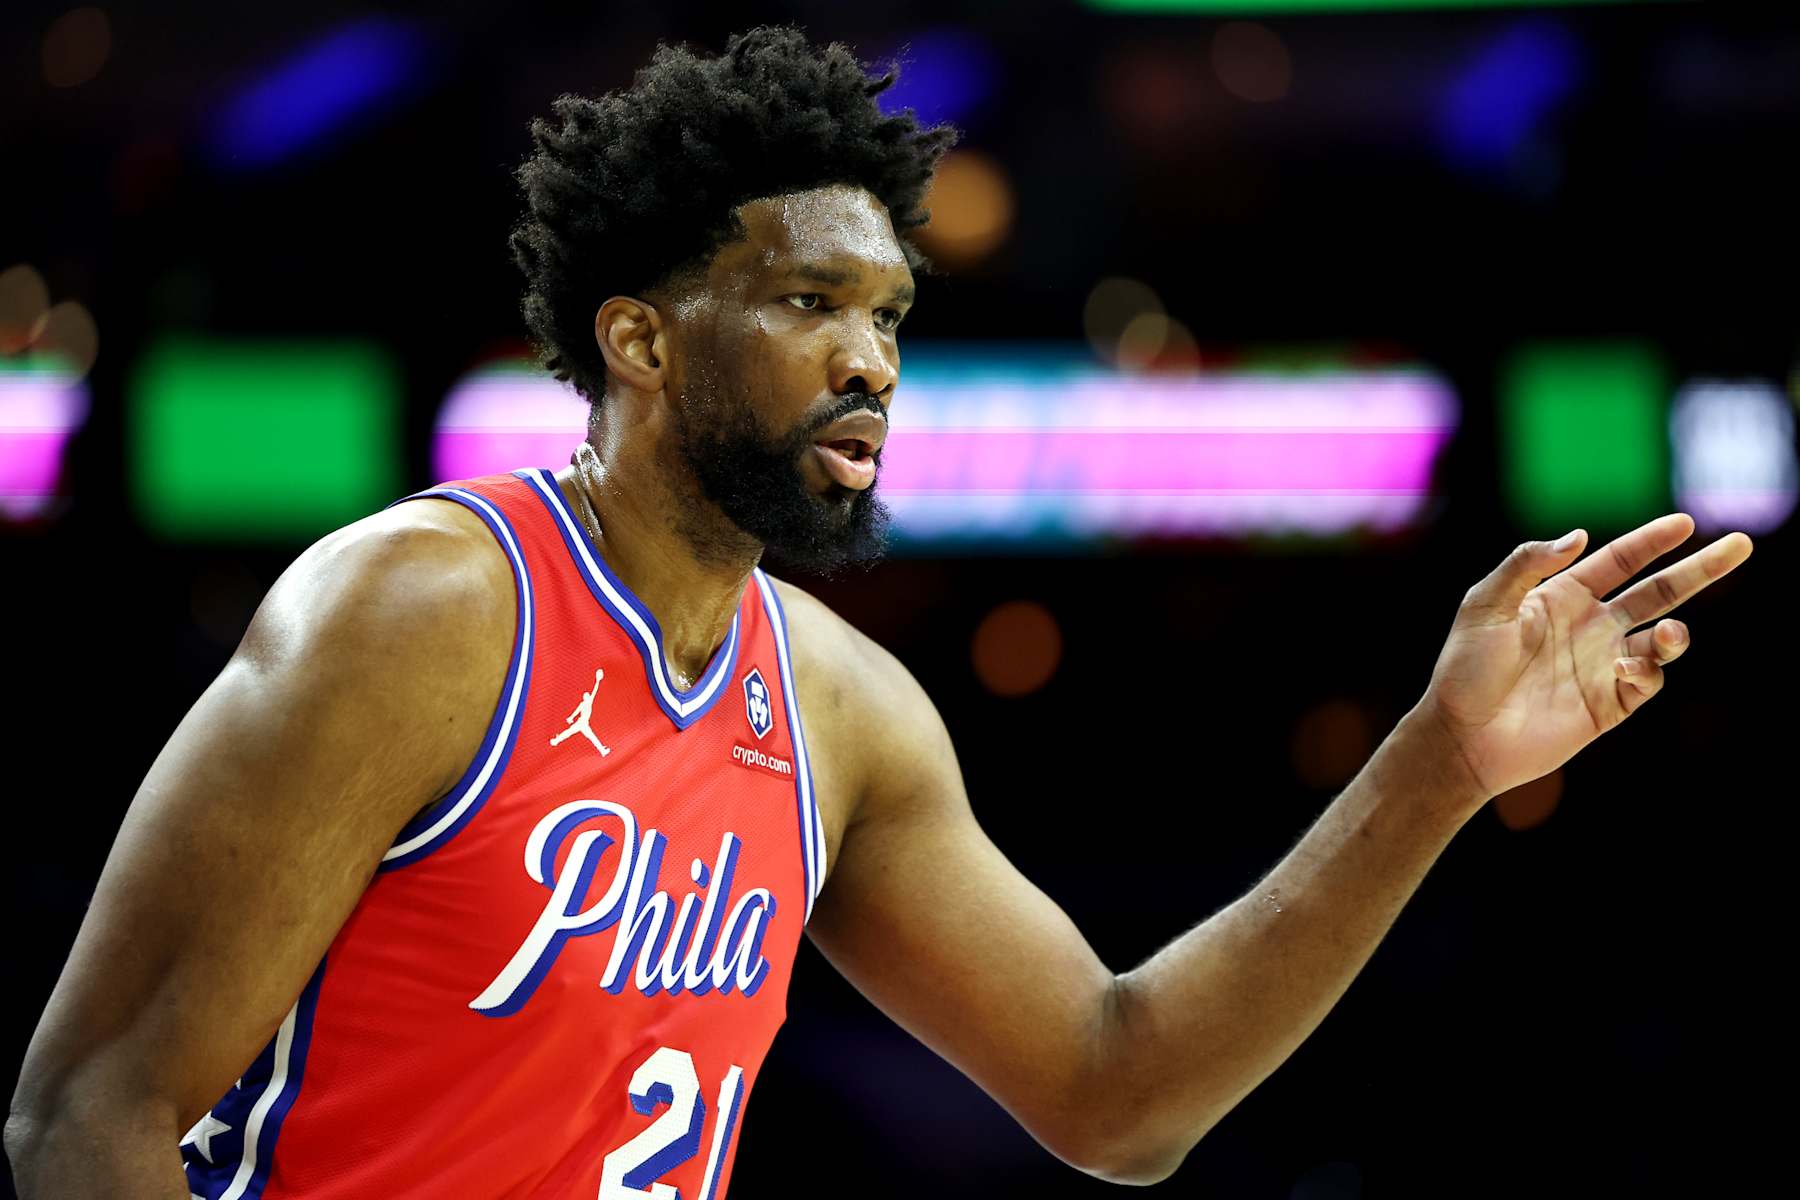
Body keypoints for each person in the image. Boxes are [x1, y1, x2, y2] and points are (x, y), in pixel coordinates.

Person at [5, 26, 1754, 1200]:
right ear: (640, 340)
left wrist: (1442, 763)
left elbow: (1118, 1091)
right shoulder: (427, 612)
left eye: (892, 316)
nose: (872, 363)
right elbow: (86, 1117)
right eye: (807, 303)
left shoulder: (840, 713)